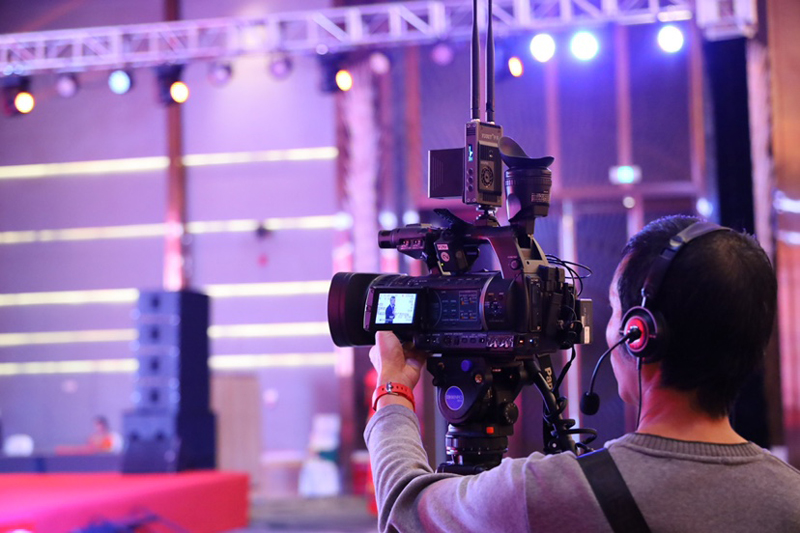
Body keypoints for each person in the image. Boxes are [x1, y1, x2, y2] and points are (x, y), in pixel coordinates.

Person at [364, 215, 800, 532]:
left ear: (639, 333)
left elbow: (405, 507)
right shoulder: (789, 499)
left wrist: (393, 389)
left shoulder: (548, 494)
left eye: (614, 310)